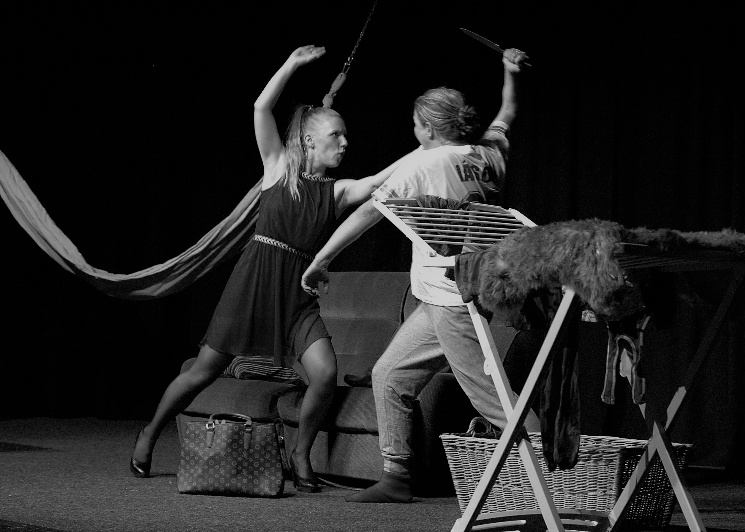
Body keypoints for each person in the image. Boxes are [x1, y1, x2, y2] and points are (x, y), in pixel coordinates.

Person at [130, 45, 414, 493]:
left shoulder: (337, 192)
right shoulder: (278, 167)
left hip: (297, 295)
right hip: (254, 284)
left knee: (324, 373)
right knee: (203, 371)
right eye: (336, 135)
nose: (345, 143)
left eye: (345, 136)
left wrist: (425, 151)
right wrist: (292, 64)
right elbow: (262, 107)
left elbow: (379, 181)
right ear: (310, 141)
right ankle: (149, 433)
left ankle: (300, 454)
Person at [301, 46, 538, 503]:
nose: (414, 132)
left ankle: (564, 471)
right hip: (446, 297)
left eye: (415, 124)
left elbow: (370, 212)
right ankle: (396, 476)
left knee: (495, 402)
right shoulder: (489, 154)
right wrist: (510, 71)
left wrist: (321, 259)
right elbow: (508, 112)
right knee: (390, 374)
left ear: (428, 127)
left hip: (454, 297)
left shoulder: (424, 164)